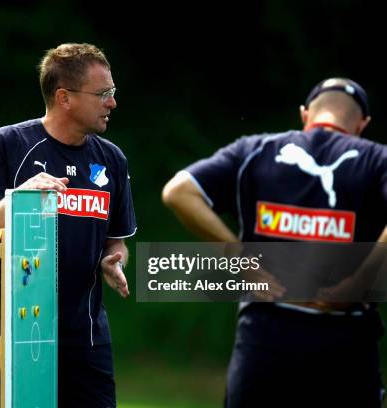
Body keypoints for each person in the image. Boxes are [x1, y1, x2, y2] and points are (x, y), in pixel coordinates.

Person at [162, 78, 386, 407]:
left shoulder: (255, 150)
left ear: (304, 113)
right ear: (362, 124)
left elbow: (178, 192)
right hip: (345, 337)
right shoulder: (377, 159)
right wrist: (361, 281)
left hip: (267, 334)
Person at [0, 43, 136, 408]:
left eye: (113, 93)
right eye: (103, 94)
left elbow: (116, 243)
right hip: (10, 328)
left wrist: (114, 259)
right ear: (64, 98)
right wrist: (18, 197)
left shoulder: (112, 160)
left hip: (85, 336)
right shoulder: (10, 143)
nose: (112, 103)